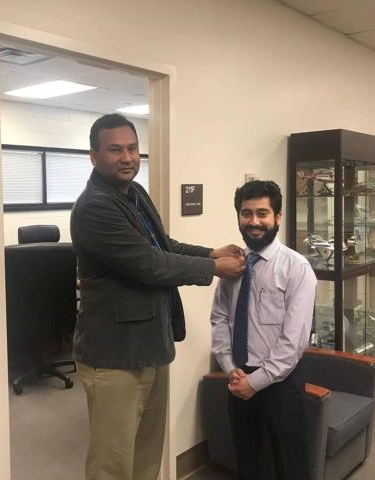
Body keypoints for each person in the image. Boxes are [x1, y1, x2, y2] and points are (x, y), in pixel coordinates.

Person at [70, 113, 245, 480]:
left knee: (147, 454)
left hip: (150, 344)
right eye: (115, 150)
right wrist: (214, 268)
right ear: (94, 156)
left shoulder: (134, 193)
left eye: (133, 148)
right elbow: (149, 263)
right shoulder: (94, 208)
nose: (127, 157)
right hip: (114, 356)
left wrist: (209, 252)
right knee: (112, 465)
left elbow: (161, 246)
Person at [210, 180, 317, 480]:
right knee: (248, 462)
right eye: (246, 213)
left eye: (262, 213)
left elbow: (294, 340)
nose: (254, 222)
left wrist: (256, 381)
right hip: (238, 378)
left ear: (278, 216)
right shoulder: (232, 267)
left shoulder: (296, 268)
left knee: (291, 466)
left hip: (280, 382)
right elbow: (219, 318)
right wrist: (229, 367)